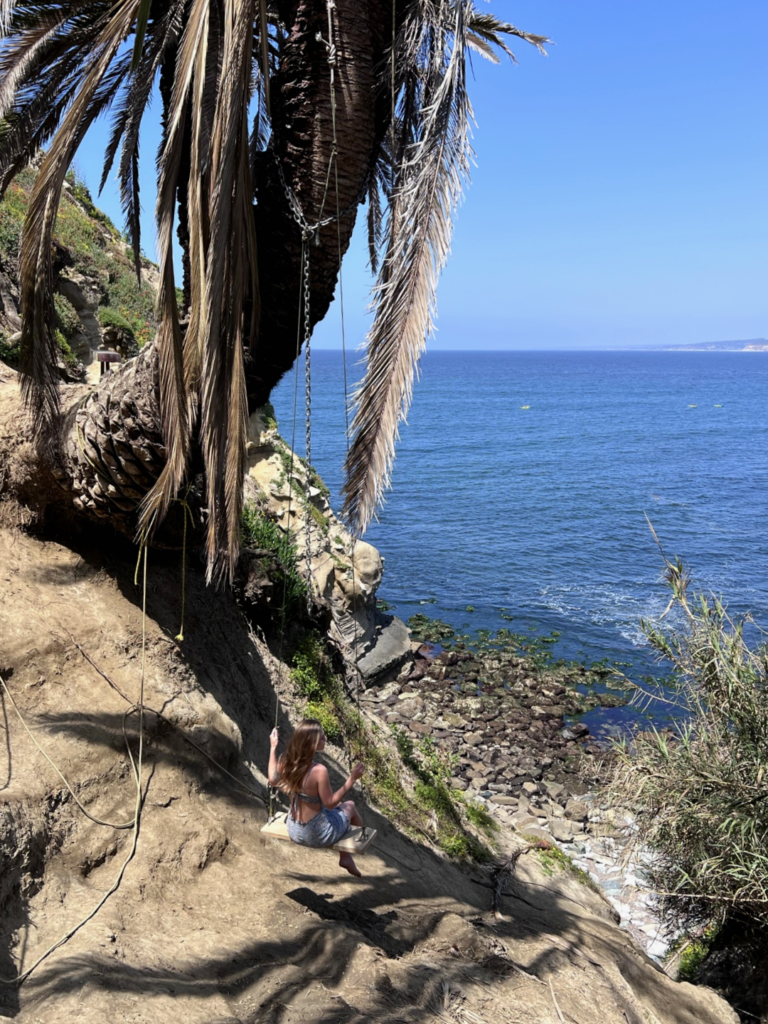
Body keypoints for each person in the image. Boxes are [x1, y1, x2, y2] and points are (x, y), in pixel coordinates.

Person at [268, 719, 366, 877]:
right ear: (311, 742)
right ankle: (346, 856)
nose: (325, 738)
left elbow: (273, 779)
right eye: (321, 737)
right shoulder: (319, 770)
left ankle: (346, 856)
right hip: (317, 835)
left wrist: (273, 747)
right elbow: (329, 803)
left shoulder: (287, 760)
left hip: (293, 829)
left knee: (339, 805)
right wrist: (352, 779)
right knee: (350, 806)